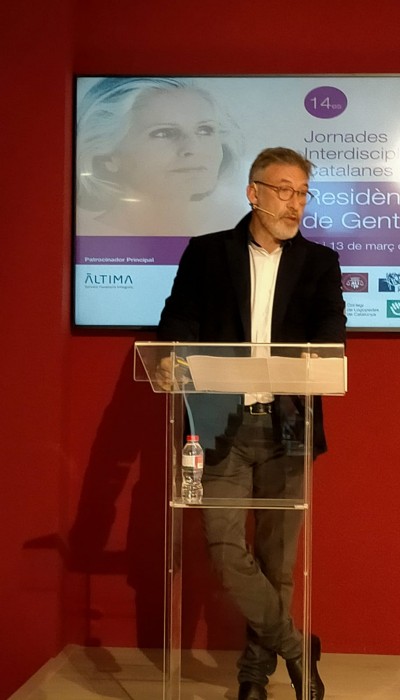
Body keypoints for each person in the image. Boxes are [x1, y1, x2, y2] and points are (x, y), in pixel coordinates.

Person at [157, 147, 346, 700]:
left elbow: (331, 331)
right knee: (223, 547)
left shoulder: (320, 263)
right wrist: (171, 352)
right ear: (253, 192)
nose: (295, 203)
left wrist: (322, 355)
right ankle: (296, 646)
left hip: (289, 425)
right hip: (220, 425)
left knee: (277, 561)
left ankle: (253, 676)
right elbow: (178, 317)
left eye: (302, 193)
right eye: (284, 190)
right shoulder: (207, 253)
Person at [76, 76, 244, 236]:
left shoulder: (233, 234)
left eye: (205, 130)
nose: (193, 148)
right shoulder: (85, 238)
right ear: (109, 156)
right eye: (163, 133)